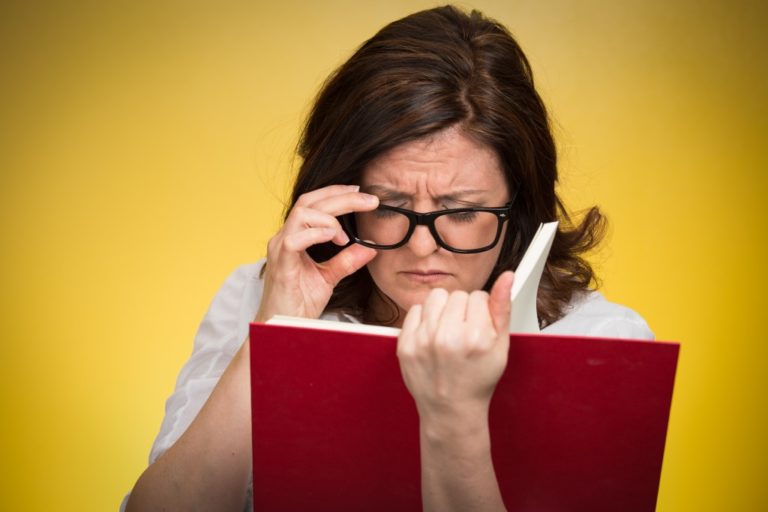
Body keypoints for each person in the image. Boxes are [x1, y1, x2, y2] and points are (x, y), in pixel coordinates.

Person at [123, 5, 653, 511]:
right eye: (390, 206)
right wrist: (274, 336)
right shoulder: (254, 295)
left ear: (518, 209)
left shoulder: (604, 344)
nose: (422, 247)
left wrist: (454, 420)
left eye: (463, 212)